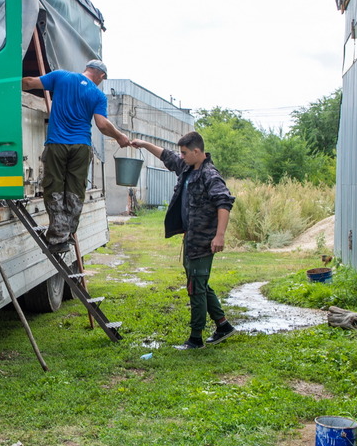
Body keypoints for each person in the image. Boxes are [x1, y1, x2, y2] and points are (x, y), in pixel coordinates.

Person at [132, 131, 236, 349]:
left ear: (197, 152)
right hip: (190, 239)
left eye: (185, 153)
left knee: (195, 288)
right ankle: (223, 325)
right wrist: (143, 143)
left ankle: (195, 339)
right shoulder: (188, 168)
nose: (181, 156)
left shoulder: (210, 175)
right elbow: (167, 156)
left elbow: (224, 203)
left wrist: (220, 235)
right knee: (199, 283)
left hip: (203, 240)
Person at [22, 59, 130, 253]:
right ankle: (67, 233)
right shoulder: (97, 94)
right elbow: (102, 124)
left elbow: (29, 82)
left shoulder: (61, 77)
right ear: (101, 76)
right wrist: (120, 136)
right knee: (74, 190)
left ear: (87, 69)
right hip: (81, 146)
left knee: (54, 186)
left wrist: (2, 81)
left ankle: (58, 237)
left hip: (57, 143)